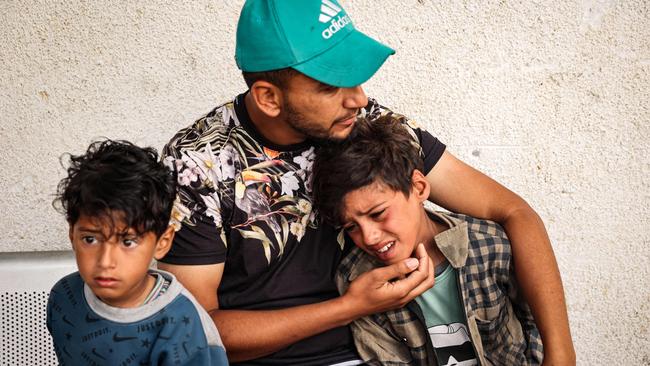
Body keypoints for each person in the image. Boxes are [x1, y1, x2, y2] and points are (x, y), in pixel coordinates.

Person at [158, 0, 574, 364]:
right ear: (269, 98)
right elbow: (198, 331)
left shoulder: (366, 123)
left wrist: (561, 355)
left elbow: (514, 212)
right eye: (329, 86)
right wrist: (348, 307)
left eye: (353, 77)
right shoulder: (198, 162)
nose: (357, 98)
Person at [313, 114, 557, 365]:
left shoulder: (490, 245)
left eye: (378, 213)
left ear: (419, 188)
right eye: (352, 226)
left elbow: (534, 324)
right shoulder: (357, 279)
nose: (368, 236)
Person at [46, 140, 229, 365]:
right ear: (72, 234)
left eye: (128, 242)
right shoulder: (64, 297)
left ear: (162, 243)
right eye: (90, 239)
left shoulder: (183, 326)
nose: (105, 261)